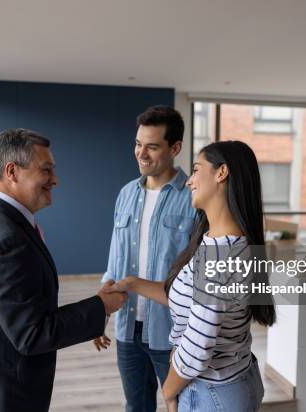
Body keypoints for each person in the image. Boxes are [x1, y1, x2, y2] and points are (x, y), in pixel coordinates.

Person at [0, 128, 127, 412]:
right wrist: (101, 306)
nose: (54, 179)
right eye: (45, 170)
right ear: (12, 172)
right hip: (1, 398)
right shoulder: (7, 239)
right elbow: (31, 334)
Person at [106, 141, 276, 412]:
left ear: (221, 173)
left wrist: (170, 391)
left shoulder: (219, 255)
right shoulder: (223, 241)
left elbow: (197, 348)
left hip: (212, 392)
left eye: (197, 170)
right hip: (235, 378)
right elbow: (191, 299)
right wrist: (132, 283)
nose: (189, 181)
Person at [94, 106, 196, 411]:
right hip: (127, 328)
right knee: (135, 406)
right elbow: (115, 260)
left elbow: (196, 273)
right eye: (138, 144)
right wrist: (101, 312)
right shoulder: (126, 194)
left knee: (181, 405)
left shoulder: (193, 198)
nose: (142, 153)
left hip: (172, 331)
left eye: (152, 146)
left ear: (175, 147)